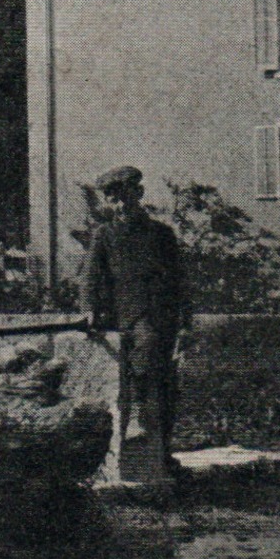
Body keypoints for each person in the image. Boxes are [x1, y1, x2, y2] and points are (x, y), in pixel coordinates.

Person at [85, 166, 191, 457]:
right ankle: (137, 415)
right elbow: (92, 276)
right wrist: (90, 308)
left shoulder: (161, 234)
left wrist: (186, 321)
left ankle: (163, 454)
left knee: (167, 383)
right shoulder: (105, 234)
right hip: (128, 313)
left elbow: (180, 278)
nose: (120, 206)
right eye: (113, 200)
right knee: (145, 348)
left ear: (139, 195)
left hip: (164, 314)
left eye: (126, 198)